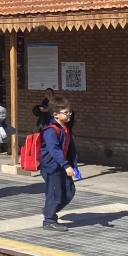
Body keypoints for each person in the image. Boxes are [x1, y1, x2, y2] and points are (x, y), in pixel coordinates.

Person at [40, 97, 79, 232]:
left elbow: (70, 148)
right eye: (66, 112)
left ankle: (48, 210)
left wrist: (72, 165)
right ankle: (49, 220)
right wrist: (66, 165)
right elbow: (54, 150)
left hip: (63, 166)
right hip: (52, 167)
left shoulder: (66, 128)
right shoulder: (51, 131)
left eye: (70, 112)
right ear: (55, 114)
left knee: (69, 192)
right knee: (55, 194)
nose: (69, 115)